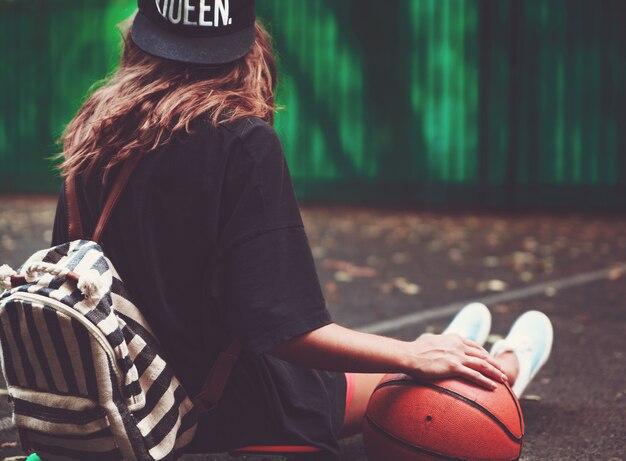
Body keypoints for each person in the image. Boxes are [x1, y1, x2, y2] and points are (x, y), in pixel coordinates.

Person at [51, 0, 554, 457]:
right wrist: (413, 355)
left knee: (393, 371)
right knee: (407, 383)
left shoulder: (94, 132)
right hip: (222, 406)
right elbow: (288, 331)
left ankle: (450, 346)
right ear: (248, 46)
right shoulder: (241, 140)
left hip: (115, 394)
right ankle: (501, 366)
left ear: (139, 38)